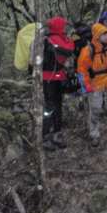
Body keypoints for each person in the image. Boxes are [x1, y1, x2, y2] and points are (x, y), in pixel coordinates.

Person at [77, 22, 107, 147]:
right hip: (94, 84)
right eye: (104, 34)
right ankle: (94, 133)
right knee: (95, 109)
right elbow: (81, 71)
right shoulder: (87, 51)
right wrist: (85, 86)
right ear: (97, 36)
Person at [42, 16, 75, 151]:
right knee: (51, 107)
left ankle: (55, 135)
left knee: (56, 106)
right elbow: (69, 50)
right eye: (64, 26)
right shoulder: (53, 39)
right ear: (58, 27)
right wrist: (71, 39)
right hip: (50, 79)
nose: (65, 28)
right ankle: (46, 137)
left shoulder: (56, 38)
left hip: (54, 77)